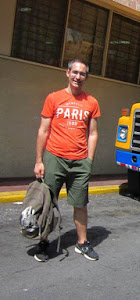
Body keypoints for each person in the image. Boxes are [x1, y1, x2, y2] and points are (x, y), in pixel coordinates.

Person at [33, 59, 101, 262]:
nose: (78, 77)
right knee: (47, 203)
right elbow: (43, 130)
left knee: (80, 204)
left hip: (80, 161)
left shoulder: (92, 102)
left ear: (86, 77)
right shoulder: (53, 98)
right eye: (75, 72)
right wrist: (39, 160)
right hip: (54, 158)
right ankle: (44, 242)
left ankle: (82, 243)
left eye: (82, 74)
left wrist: (89, 160)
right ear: (67, 73)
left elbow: (93, 134)